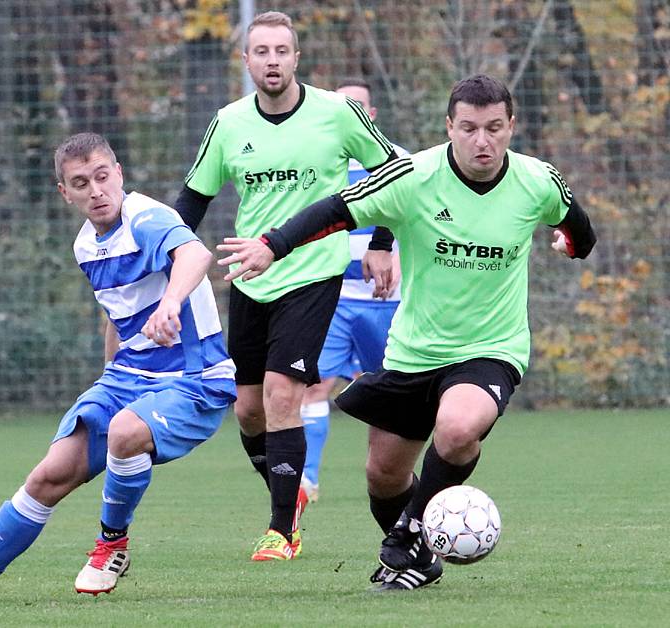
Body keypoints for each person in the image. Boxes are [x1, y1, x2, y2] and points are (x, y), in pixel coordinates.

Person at [217, 74, 597, 589]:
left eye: (493, 128)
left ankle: (409, 533)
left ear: (512, 125)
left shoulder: (537, 181)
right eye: (468, 128)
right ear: (449, 127)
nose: (481, 141)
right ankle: (420, 561)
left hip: (492, 348)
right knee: (383, 474)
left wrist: (566, 246)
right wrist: (271, 244)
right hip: (414, 352)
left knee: (459, 428)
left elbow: (580, 230)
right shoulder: (413, 175)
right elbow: (334, 212)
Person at [0, 132, 236, 605]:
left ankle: (111, 546)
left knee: (124, 431)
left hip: (194, 379)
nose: (96, 190)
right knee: (48, 476)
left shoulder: (150, 217)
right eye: (81, 183)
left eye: (102, 177)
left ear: (118, 173)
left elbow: (196, 254)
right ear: (66, 192)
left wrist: (172, 303)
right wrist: (108, 375)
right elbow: (115, 313)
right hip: (127, 379)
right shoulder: (85, 246)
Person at [174, 11, 398, 561]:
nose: (272, 60)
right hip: (251, 277)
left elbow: (396, 171)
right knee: (247, 409)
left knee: (281, 395)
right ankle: (289, 490)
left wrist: (382, 242)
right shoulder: (228, 123)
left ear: (296, 58)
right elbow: (193, 201)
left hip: (313, 274)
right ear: (246, 61)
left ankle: (282, 529)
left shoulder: (336, 113)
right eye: (261, 51)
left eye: (281, 50)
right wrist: (164, 254)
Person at [300, 78, 408, 503]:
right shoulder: (321, 163)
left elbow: (417, 216)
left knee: (393, 392)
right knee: (313, 386)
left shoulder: (398, 160)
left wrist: (396, 255)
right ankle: (304, 483)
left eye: (359, 107)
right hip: (332, 299)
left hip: (385, 302)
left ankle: (394, 478)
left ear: (373, 115)